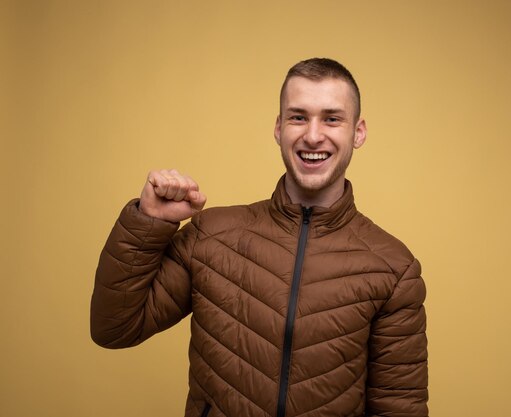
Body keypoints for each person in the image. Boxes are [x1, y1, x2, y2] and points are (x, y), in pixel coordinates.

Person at [91, 58, 428, 417]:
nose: (313, 135)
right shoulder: (212, 237)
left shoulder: (393, 268)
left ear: (357, 132)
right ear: (279, 128)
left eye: (332, 118)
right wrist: (149, 223)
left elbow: (399, 408)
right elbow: (115, 328)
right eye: (298, 117)